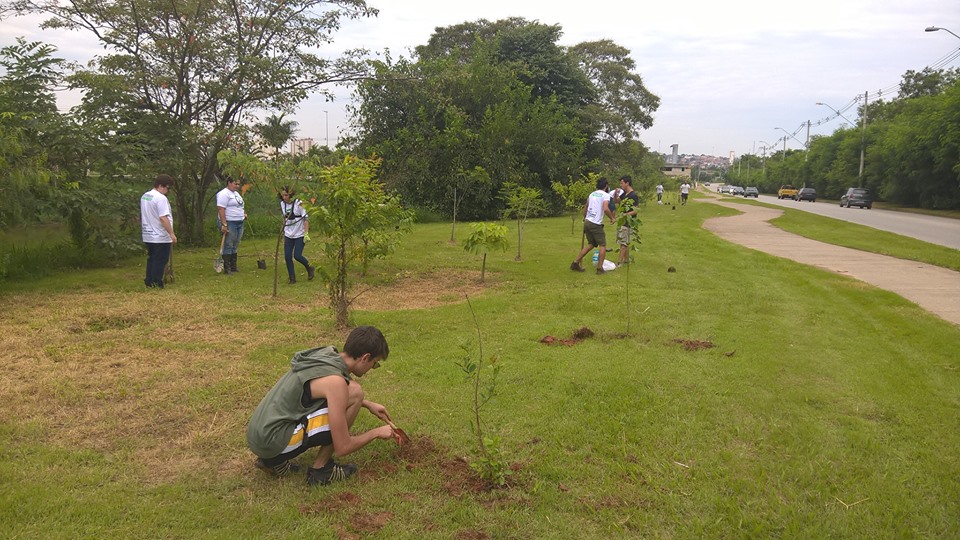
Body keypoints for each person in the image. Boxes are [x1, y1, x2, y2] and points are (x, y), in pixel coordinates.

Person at [246, 326, 397, 487]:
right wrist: (376, 433)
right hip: (270, 441)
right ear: (365, 357)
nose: (372, 369)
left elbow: (319, 391)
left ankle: (272, 462)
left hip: (260, 433)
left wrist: (367, 404)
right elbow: (343, 447)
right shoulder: (336, 382)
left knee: (354, 393)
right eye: (375, 364)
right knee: (356, 393)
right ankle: (321, 470)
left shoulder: (327, 355)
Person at [570, 176, 615, 275]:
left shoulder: (592, 194)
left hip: (588, 221)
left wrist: (585, 217)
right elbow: (606, 208)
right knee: (602, 245)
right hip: (595, 223)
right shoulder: (605, 195)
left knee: (591, 244)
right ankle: (600, 269)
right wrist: (612, 218)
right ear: (606, 186)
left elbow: (585, 207)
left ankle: (575, 262)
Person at [140, 174, 177, 288]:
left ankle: (149, 280)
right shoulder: (160, 198)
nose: (168, 190)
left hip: (148, 233)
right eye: (168, 188)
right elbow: (163, 217)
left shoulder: (145, 196)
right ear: (160, 186)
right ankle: (156, 282)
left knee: (152, 258)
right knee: (160, 259)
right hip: (160, 235)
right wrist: (171, 234)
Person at [279, 187, 315, 284]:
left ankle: (310, 267)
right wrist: (282, 230)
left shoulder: (299, 204)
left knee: (297, 256)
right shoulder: (283, 204)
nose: (284, 197)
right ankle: (292, 278)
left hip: (299, 234)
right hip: (288, 234)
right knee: (287, 257)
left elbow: (305, 219)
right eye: (283, 195)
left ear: (291, 195)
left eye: (286, 195)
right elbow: (284, 218)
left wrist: (306, 233)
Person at [216, 176, 247, 274]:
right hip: (230, 222)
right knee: (228, 244)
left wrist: (243, 213)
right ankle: (227, 267)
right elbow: (221, 209)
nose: (237, 186)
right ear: (229, 183)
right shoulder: (223, 194)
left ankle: (234, 266)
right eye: (235, 183)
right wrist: (224, 224)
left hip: (239, 221)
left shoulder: (236, 193)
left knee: (236, 243)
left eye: (238, 184)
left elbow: (240, 205)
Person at [615, 175, 640, 265]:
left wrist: (626, 214)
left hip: (628, 222)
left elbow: (636, 210)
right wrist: (615, 194)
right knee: (623, 241)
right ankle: (626, 260)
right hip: (622, 221)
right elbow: (617, 201)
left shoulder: (633, 195)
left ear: (627, 183)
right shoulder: (624, 194)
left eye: (622, 183)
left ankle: (619, 263)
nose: (620, 185)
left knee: (623, 243)